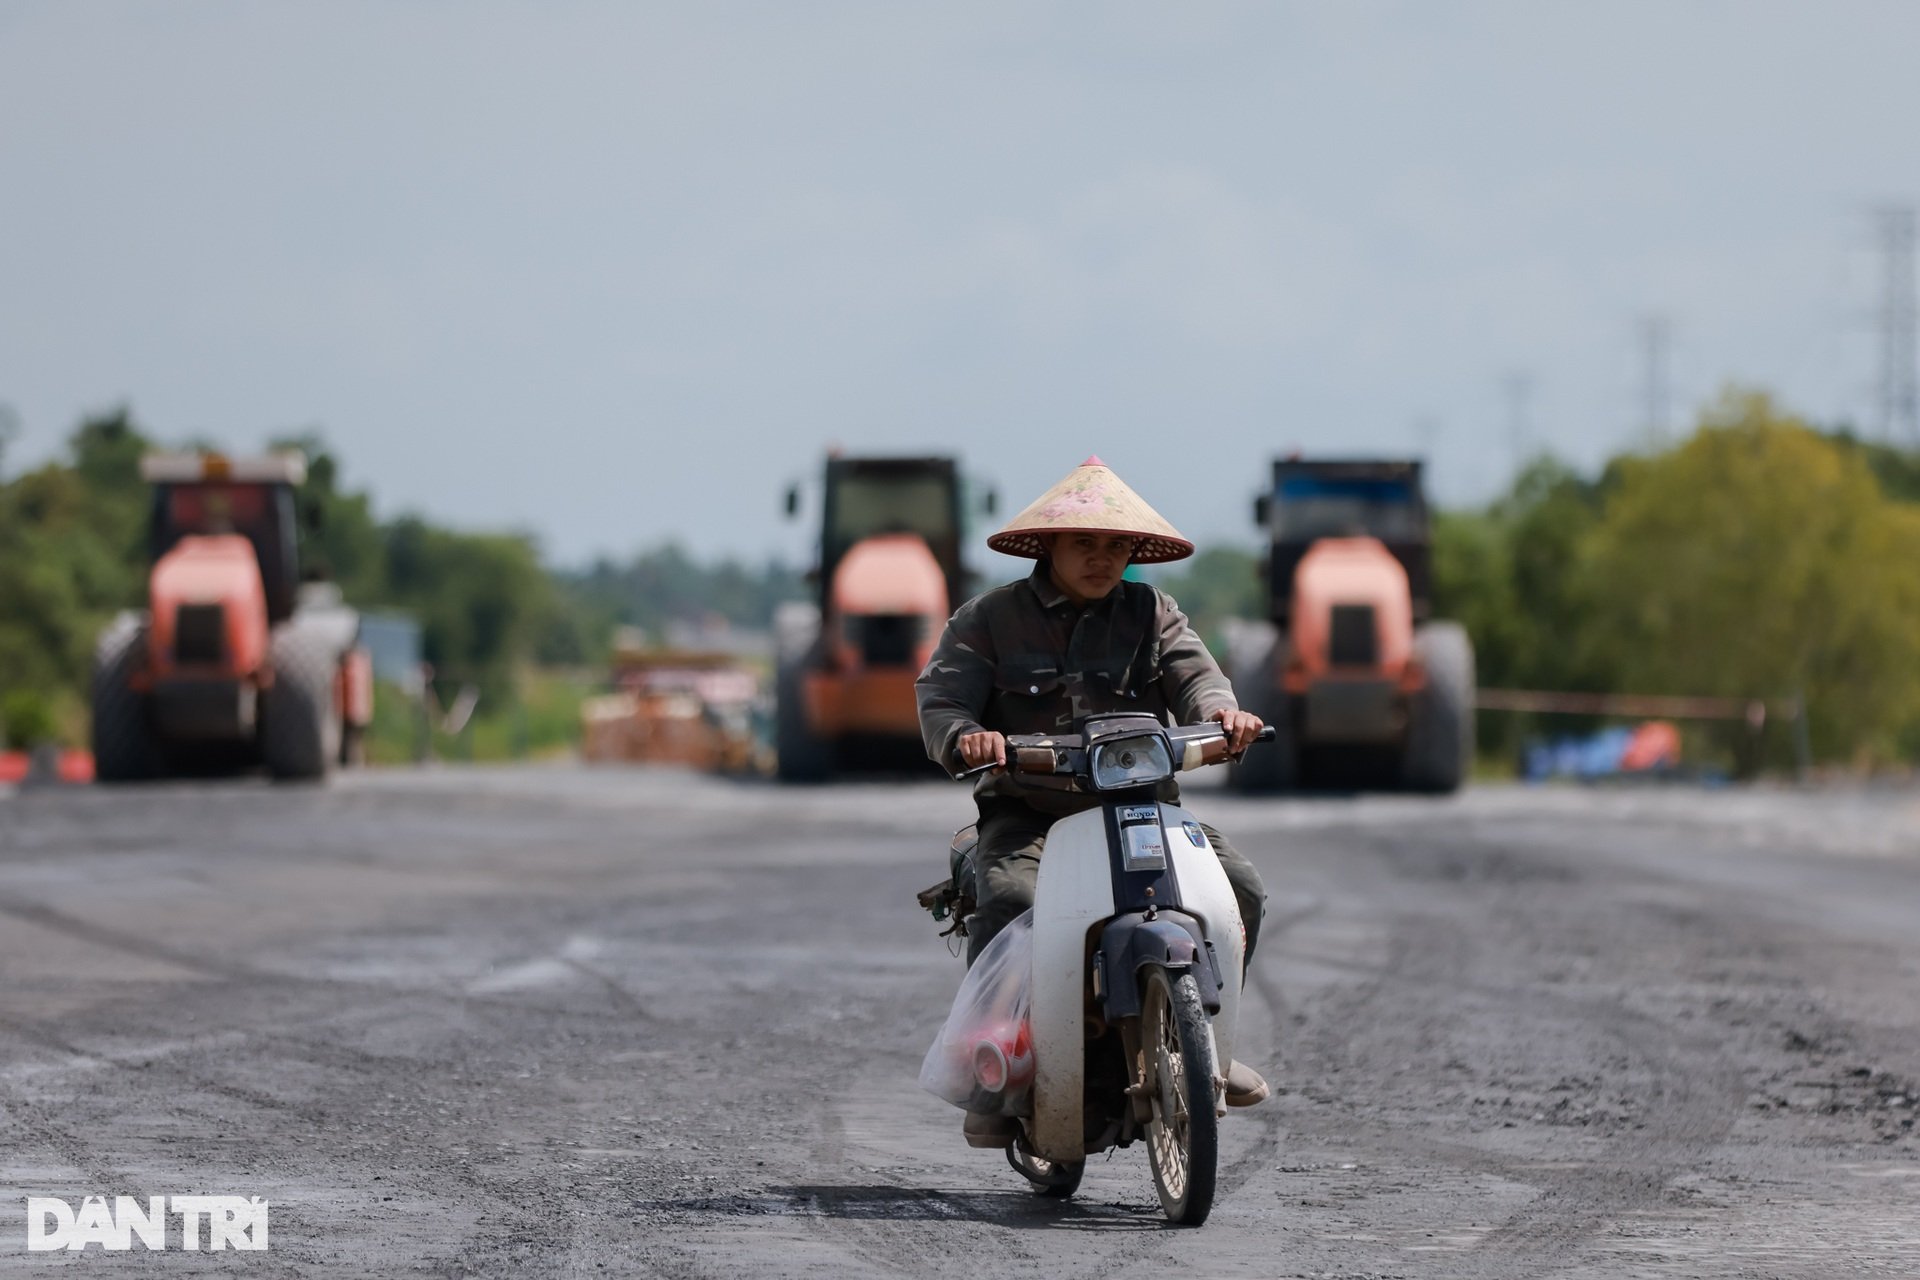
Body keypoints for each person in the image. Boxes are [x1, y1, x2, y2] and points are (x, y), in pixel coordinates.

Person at [915, 456, 1271, 1147]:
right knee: (1012, 902)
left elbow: (1197, 675)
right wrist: (967, 737)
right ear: (1047, 545)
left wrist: (1226, 716)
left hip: (1144, 810)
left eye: (1116, 547)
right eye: (1085, 543)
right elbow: (942, 700)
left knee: (1241, 889)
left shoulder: (1152, 613)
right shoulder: (989, 620)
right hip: (1031, 813)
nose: (1102, 559)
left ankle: (1208, 1048)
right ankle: (1001, 1066)